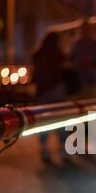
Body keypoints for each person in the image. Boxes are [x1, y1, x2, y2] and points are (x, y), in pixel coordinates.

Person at [31, 32, 67, 166]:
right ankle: (63, 147)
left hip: (42, 91)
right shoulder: (58, 53)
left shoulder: (37, 54)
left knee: (43, 119)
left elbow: (35, 73)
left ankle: (44, 147)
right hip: (56, 89)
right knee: (61, 118)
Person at [70, 21, 96, 97]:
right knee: (80, 101)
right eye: (83, 29)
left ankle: (91, 109)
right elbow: (71, 59)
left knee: (91, 103)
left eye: (86, 29)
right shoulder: (77, 44)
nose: (84, 31)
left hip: (92, 80)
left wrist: (91, 63)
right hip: (77, 80)